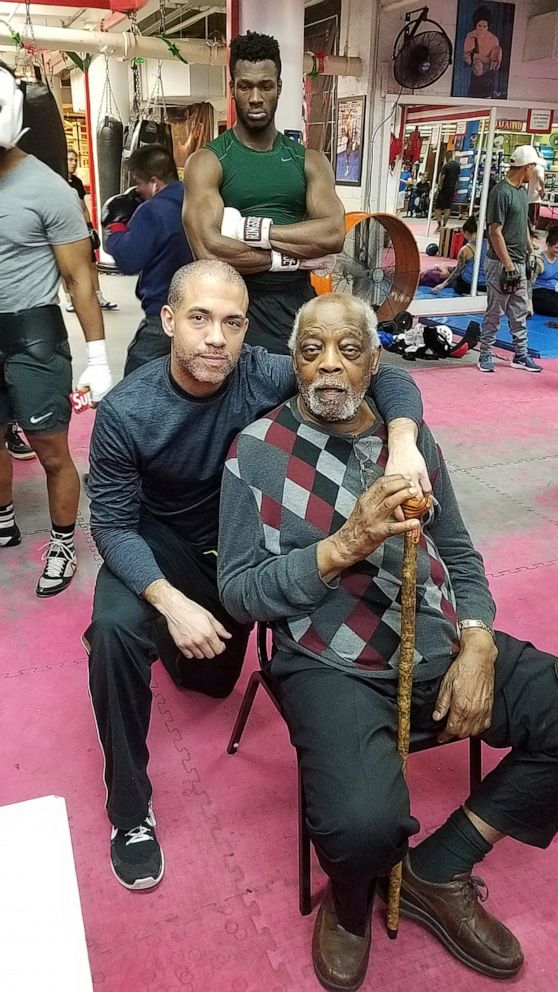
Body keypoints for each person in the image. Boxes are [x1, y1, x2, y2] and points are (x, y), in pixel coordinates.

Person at [218, 292, 558, 992]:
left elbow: (458, 551)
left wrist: (479, 643)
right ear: (294, 361)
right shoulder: (255, 452)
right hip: (327, 661)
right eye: (312, 350)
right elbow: (240, 592)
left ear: (376, 361)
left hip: (435, 642)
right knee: (361, 826)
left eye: (349, 349)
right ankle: (348, 907)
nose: (330, 366)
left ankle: (440, 866)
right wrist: (346, 543)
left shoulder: (411, 443)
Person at [84, 259, 430, 892]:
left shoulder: (260, 372)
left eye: (232, 322)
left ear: (247, 331)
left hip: (235, 544)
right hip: (159, 540)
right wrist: (168, 601)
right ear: (167, 322)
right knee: (113, 629)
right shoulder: (127, 413)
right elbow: (110, 527)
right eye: (199, 319)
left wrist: (404, 439)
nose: (216, 337)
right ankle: (129, 811)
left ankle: (175, 634)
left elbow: (385, 374)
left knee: (211, 681)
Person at [0, 61, 112, 594]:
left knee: (49, 450)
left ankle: (65, 542)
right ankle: (3, 518)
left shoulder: (49, 191)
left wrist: (98, 359)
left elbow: (80, 279)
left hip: (32, 337)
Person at [183, 31, 345, 355]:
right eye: (245, 86)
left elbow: (333, 233)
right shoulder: (208, 161)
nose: (255, 97)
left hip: (299, 308)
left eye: (265, 86)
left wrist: (247, 231)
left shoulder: (310, 161)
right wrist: (292, 259)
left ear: (279, 88)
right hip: (236, 309)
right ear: (233, 89)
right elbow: (208, 249)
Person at [102, 143, 193, 375]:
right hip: (197, 313)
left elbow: (129, 259)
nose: (138, 189)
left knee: (136, 383)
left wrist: (114, 229)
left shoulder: (152, 211)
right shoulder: (195, 201)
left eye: (140, 182)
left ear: (154, 181)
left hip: (163, 315)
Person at [478, 145, 543, 373]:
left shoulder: (522, 193)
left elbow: (523, 224)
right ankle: (485, 353)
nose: (534, 173)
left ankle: (521, 354)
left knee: (519, 310)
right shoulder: (501, 192)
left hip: (518, 261)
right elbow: (494, 231)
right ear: (526, 167)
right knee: (495, 311)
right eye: (533, 168)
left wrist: (530, 251)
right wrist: (507, 264)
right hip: (500, 263)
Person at [66, 147, 117, 313]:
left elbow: (82, 205)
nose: (73, 163)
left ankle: (98, 296)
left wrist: (90, 227)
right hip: (64, 228)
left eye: (75, 160)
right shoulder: (57, 182)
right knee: (66, 266)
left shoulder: (77, 182)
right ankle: (70, 299)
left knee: (91, 264)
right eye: (70, 159)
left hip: (80, 227)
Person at [431, 215, 487, 294]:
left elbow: (457, 272)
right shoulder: (489, 244)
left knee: (456, 280)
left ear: (466, 232)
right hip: (486, 284)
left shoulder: (465, 250)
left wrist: (442, 285)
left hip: (469, 283)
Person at [464, 7, 502, 99]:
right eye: (479, 26)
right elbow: (468, 58)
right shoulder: (471, 36)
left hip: (488, 71)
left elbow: (495, 58)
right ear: (475, 25)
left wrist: (489, 61)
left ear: (488, 26)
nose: (482, 29)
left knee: (486, 96)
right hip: (476, 69)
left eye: (485, 26)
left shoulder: (493, 39)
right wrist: (476, 59)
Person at [532, 226, 558, 317]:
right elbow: (530, 282)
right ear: (548, 244)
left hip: (552, 292)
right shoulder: (539, 260)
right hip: (538, 292)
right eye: (556, 248)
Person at [433, 152, 460, 232]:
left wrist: (439, 187)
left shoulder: (446, 166)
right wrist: (456, 188)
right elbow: (458, 178)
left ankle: (439, 225)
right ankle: (444, 226)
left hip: (444, 188)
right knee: (447, 208)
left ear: (446, 157)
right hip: (451, 188)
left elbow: (442, 177)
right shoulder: (457, 166)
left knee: (437, 208)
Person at [527, 155, 545, 228]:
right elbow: (541, 179)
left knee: (529, 215)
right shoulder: (539, 168)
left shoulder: (530, 167)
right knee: (534, 217)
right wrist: (542, 190)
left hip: (529, 194)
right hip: (535, 195)